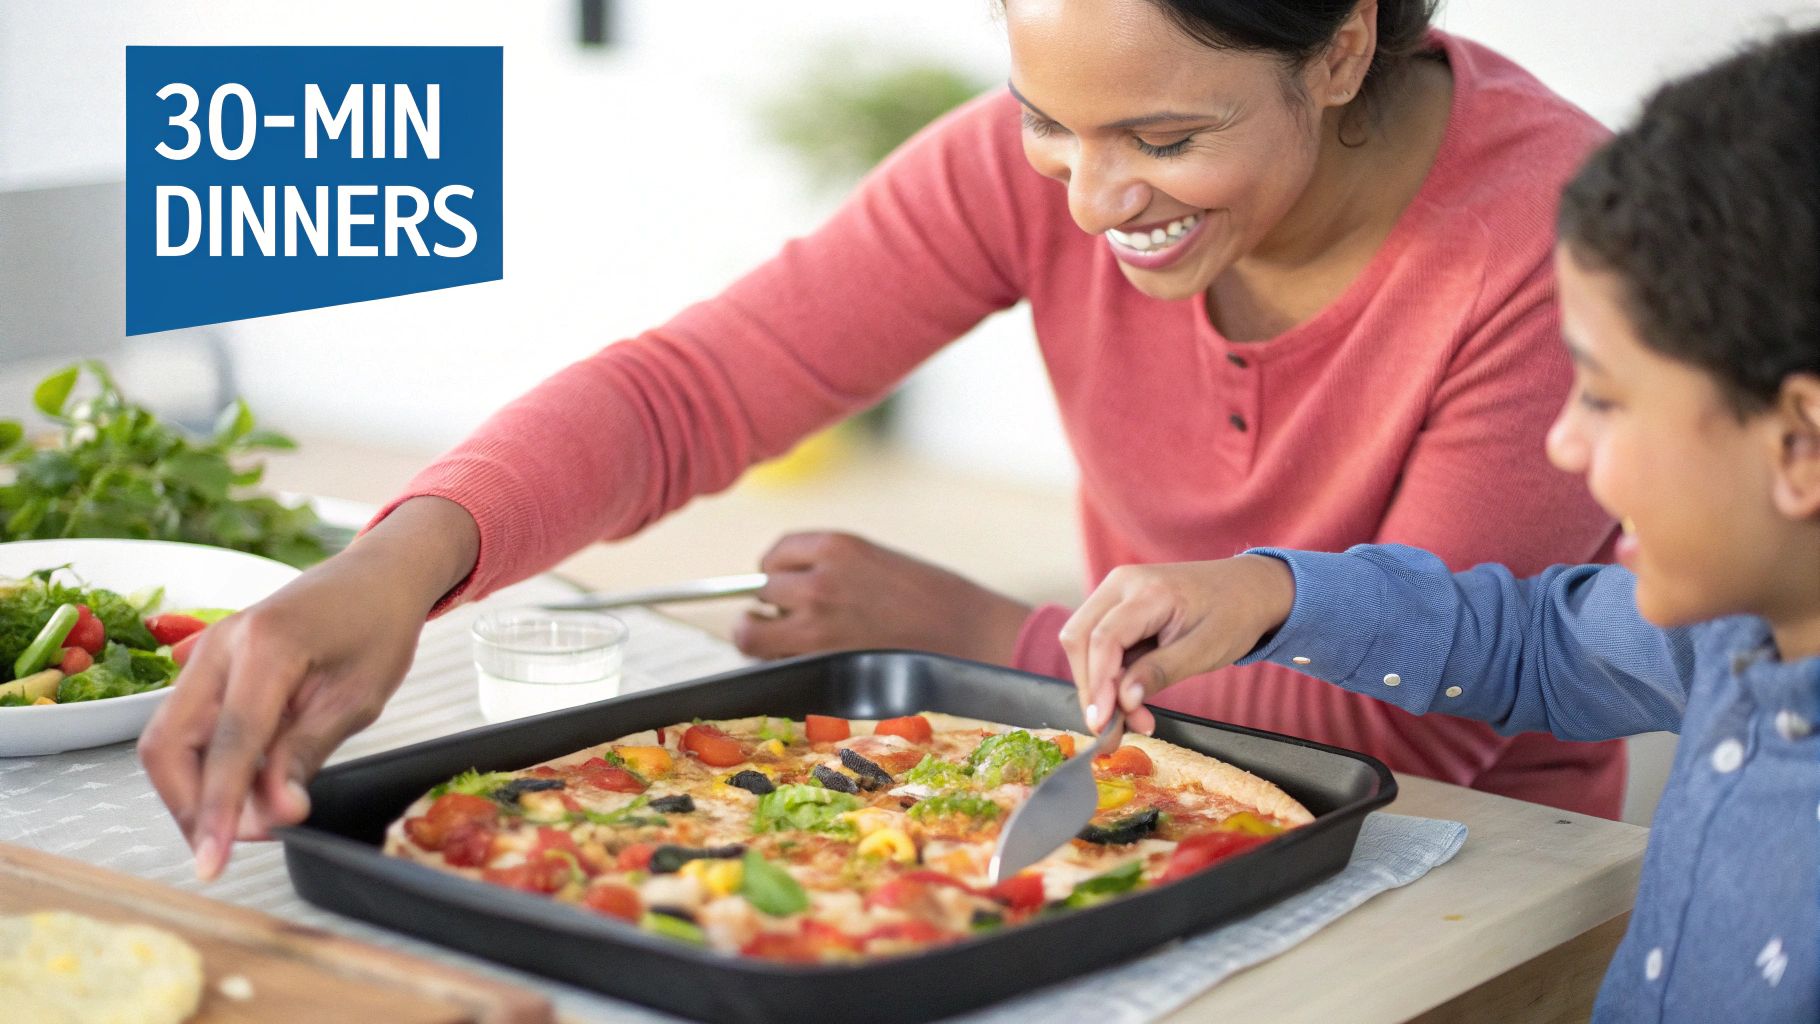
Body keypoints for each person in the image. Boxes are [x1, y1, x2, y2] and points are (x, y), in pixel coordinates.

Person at [143, 0, 1622, 882]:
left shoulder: (1554, 242)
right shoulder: (1049, 162)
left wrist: (990, 634)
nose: (1094, 198)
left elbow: (1404, 723)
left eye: (1165, 143)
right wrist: (397, 570)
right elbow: (698, 386)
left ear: (1348, 43)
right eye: (1049, 119)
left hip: (1463, 865)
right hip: (1113, 791)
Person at [1063, 28, 1819, 1020]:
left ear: (1797, 441)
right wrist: (1268, 592)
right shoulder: (1723, 633)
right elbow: (1530, 639)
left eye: (1602, 398)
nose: (1561, 444)